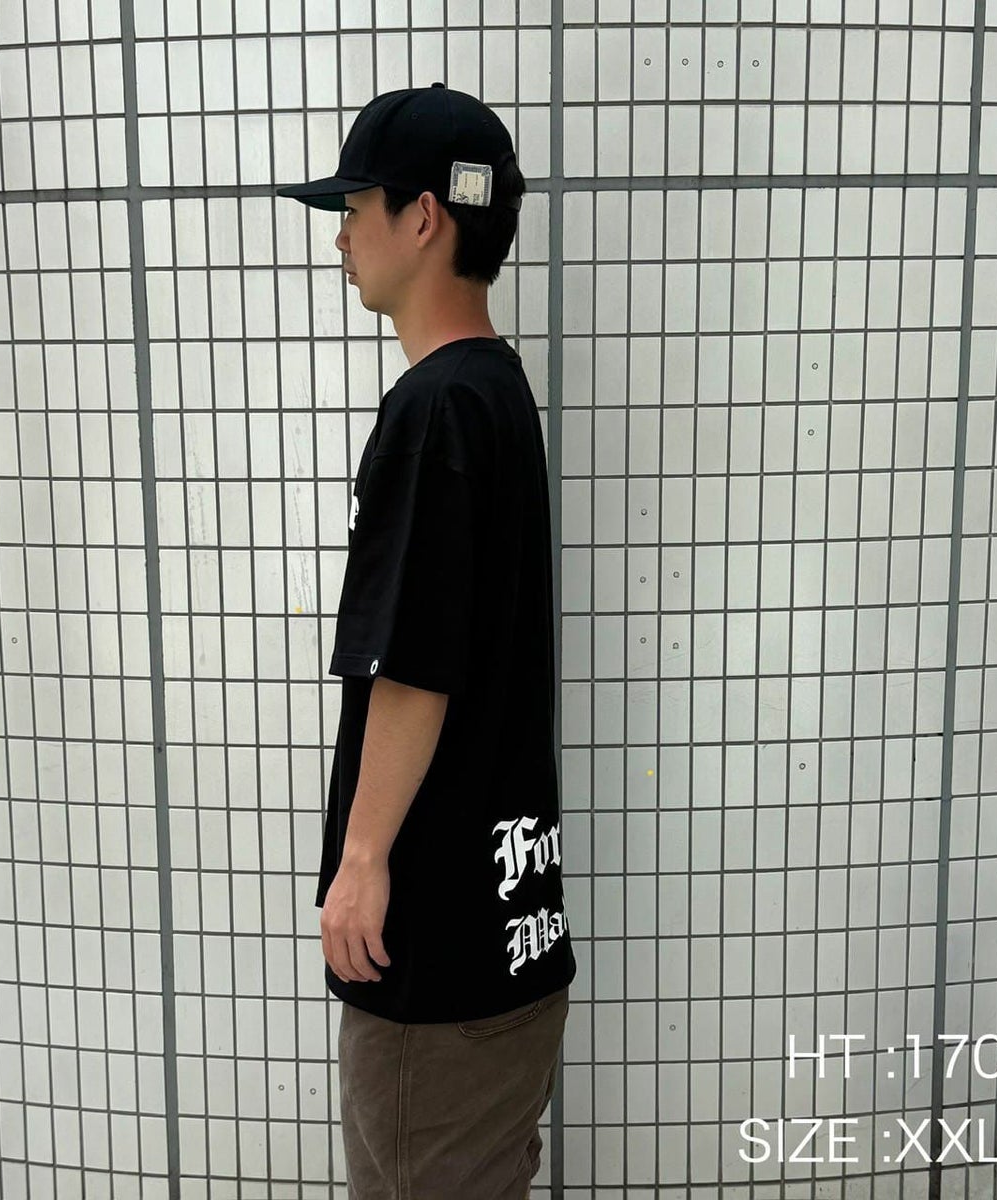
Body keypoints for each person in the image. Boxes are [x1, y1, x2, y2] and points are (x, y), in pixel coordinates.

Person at [277, 83, 577, 1200]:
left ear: (423, 219)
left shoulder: (435, 408)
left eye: (356, 207)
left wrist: (360, 863)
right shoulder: (497, 392)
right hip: (509, 934)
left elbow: (413, 665)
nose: (341, 236)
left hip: (437, 964)